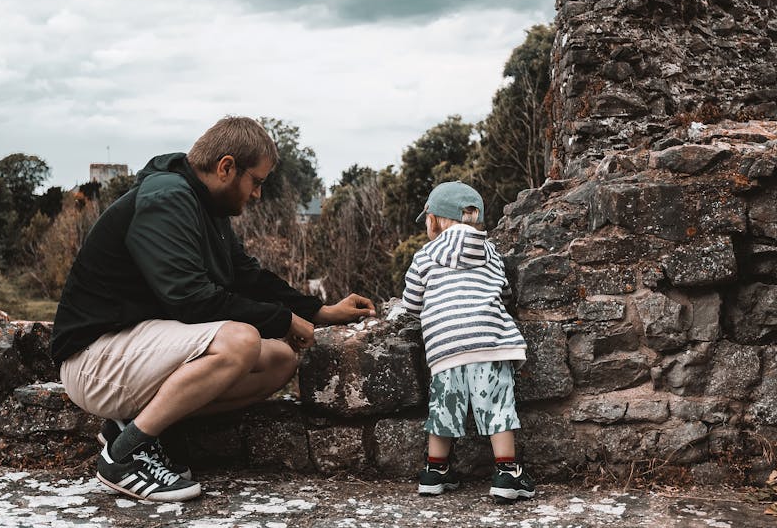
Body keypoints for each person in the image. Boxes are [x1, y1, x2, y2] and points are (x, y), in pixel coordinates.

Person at [50, 116, 375, 502]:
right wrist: (282, 319)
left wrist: (320, 311)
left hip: (132, 352)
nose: (256, 194)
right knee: (240, 341)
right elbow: (191, 299)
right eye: (256, 181)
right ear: (226, 167)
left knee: (280, 359)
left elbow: (245, 276)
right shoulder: (167, 199)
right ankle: (124, 455)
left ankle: (129, 429)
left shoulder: (206, 208)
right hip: (93, 360)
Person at [400, 181, 534, 502]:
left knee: (444, 408)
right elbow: (503, 292)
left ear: (433, 220)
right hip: (489, 341)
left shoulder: (425, 256)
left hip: (445, 348)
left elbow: (411, 303)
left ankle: (435, 472)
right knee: (497, 407)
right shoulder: (491, 254)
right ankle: (507, 474)